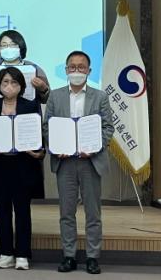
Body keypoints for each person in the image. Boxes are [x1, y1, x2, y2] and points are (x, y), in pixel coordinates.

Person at [43, 51, 114, 275]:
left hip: (90, 161)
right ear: (66, 70)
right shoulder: (55, 96)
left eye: (81, 67)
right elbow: (47, 127)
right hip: (64, 162)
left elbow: (108, 128)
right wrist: (57, 146)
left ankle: (92, 257)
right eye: (72, 67)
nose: (76, 71)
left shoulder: (100, 97)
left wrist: (94, 147)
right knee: (66, 212)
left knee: (93, 212)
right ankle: (69, 256)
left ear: (89, 71)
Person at [0, 67, 45, 271]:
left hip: (23, 165)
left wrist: (39, 151)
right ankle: (6, 252)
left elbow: (38, 133)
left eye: (14, 82)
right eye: (5, 82)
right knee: (2, 212)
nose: (9, 86)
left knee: (23, 211)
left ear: (21, 86)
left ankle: (23, 254)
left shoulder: (29, 105)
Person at [0, 30, 50, 103]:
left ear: (21, 47)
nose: (8, 48)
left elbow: (49, 101)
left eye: (13, 45)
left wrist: (44, 89)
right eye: (4, 45)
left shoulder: (35, 69)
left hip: (29, 109)